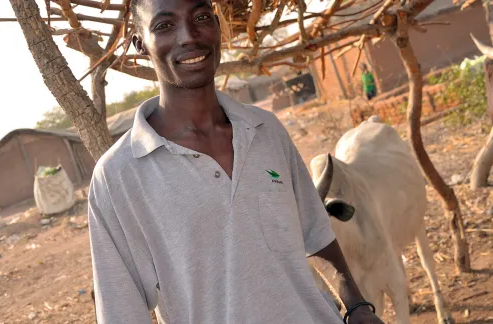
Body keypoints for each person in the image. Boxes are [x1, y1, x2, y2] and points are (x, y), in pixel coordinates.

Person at [87, 0, 385, 323]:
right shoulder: (117, 177)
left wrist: (356, 306)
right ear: (140, 45)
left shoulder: (266, 131)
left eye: (201, 17)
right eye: (164, 25)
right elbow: (121, 312)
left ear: (217, 27)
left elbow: (315, 234)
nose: (189, 36)